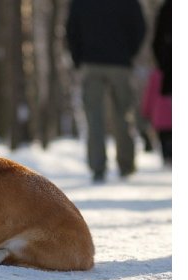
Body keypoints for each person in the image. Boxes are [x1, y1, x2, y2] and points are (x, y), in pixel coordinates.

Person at [66, 0, 146, 183]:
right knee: (123, 115)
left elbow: (71, 29)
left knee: (94, 118)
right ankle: (126, 165)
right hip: (120, 63)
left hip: (91, 62)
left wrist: (78, 58)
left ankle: (98, 168)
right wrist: (128, 53)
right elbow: (140, 27)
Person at [144, 0, 172, 166]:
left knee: (166, 111)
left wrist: (162, 62)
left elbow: (156, 41)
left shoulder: (166, 9)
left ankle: (168, 151)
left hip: (168, 69)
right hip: (167, 69)